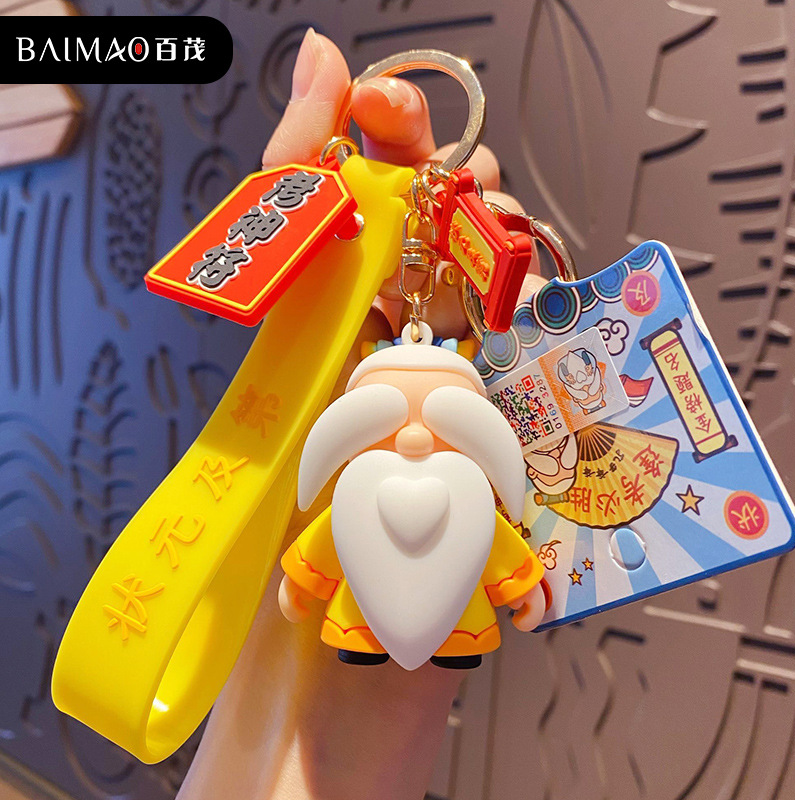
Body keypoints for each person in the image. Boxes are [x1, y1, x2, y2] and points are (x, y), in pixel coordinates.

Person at [176, 29, 541, 800]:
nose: (412, 431)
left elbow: (502, 554)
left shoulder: (449, 489)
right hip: (354, 623)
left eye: (440, 413)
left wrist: (523, 587)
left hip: (450, 627)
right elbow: (316, 550)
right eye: (385, 411)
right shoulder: (358, 486)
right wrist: (294, 591)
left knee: (445, 624)